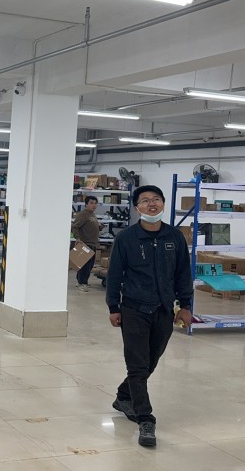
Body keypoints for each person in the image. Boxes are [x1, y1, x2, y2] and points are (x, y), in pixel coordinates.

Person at [106, 185, 193, 448]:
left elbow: (183, 273)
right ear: (137, 208)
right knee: (137, 365)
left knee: (151, 362)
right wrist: (113, 307)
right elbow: (115, 274)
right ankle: (145, 419)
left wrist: (185, 305)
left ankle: (124, 396)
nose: (151, 204)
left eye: (156, 199)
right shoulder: (126, 238)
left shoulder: (174, 237)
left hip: (164, 310)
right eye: (145, 201)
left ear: (163, 204)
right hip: (134, 309)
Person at [72, 195, 100, 292]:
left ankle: (82, 281)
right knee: (84, 266)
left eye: (95, 203)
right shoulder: (83, 214)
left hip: (93, 243)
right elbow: (75, 226)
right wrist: (77, 238)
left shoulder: (92, 215)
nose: (94, 205)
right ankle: (81, 283)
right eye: (91, 203)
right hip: (85, 243)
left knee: (89, 265)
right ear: (86, 204)